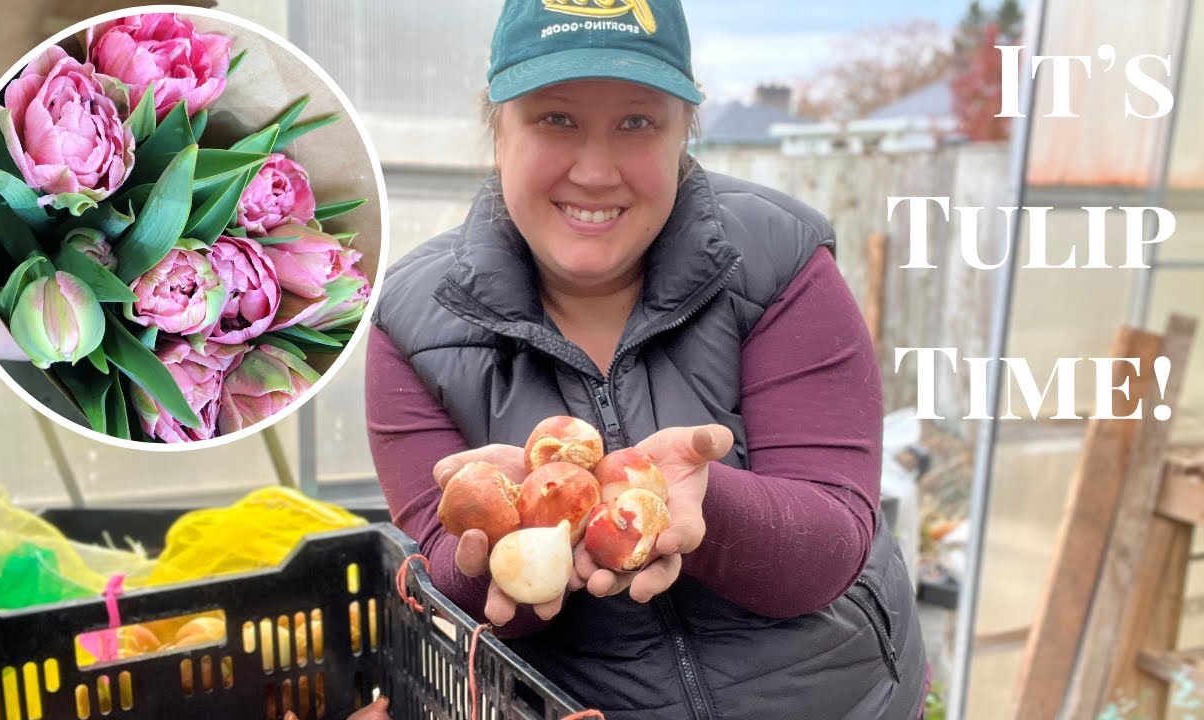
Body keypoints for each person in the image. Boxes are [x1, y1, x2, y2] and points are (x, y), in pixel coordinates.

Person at [365, 1, 928, 717]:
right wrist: (519, 543)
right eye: (555, 119)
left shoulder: (781, 261)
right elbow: (455, 577)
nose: (596, 172)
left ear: (682, 136)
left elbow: (831, 541)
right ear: (498, 132)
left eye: (637, 122)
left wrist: (705, 506)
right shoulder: (412, 323)